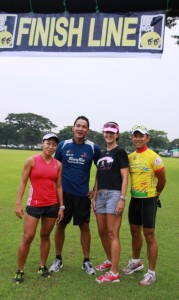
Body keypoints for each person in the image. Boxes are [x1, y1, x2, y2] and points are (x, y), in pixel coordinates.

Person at [49, 116, 101, 275]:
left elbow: (101, 169)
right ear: (73, 127)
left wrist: (95, 190)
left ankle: (86, 261)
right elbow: (54, 167)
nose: (80, 129)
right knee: (61, 225)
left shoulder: (93, 148)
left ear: (88, 130)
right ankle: (58, 259)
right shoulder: (63, 145)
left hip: (82, 195)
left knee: (84, 227)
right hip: (63, 194)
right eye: (78, 126)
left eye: (83, 126)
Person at [13, 133, 64, 284]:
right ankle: (20, 270)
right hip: (34, 205)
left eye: (54, 145)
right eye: (48, 143)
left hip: (52, 206)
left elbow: (59, 186)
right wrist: (18, 203)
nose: (51, 147)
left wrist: (61, 206)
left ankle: (42, 266)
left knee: (45, 236)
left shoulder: (58, 164)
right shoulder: (31, 161)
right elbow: (23, 182)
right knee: (28, 237)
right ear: (42, 143)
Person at [123, 125, 166, 286]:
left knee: (149, 235)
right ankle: (136, 262)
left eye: (141, 136)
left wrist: (156, 195)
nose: (138, 138)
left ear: (147, 138)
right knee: (134, 232)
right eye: (135, 136)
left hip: (149, 200)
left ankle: (151, 272)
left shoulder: (154, 157)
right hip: (135, 199)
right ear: (132, 138)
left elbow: (162, 179)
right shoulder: (131, 157)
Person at [92, 122, 129, 283]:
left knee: (112, 233)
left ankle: (114, 273)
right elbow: (98, 175)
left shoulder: (120, 152)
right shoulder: (100, 153)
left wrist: (122, 198)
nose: (109, 134)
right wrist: (94, 196)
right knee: (102, 231)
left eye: (112, 132)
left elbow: (125, 177)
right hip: (100, 195)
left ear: (117, 134)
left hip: (114, 195)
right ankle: (109, 260)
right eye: (106, 132)